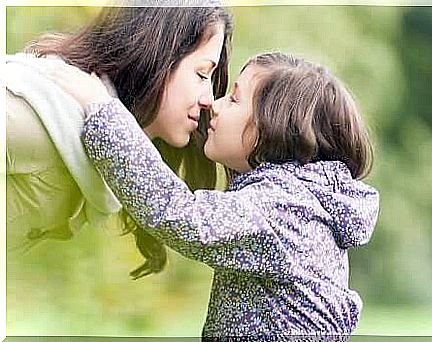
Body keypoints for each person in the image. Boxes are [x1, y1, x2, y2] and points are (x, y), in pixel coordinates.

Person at [48, 52, 379, 338]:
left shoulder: (286, 211)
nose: (214, 106)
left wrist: (101, 109)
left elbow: (178, 214)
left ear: (274, 126)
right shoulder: (300, 200)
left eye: (234, 99)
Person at [5, 5, 233, 279]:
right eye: (201, 74)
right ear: (156, 57)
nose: (209, 99)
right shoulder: (43, 115)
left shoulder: (97, 158)